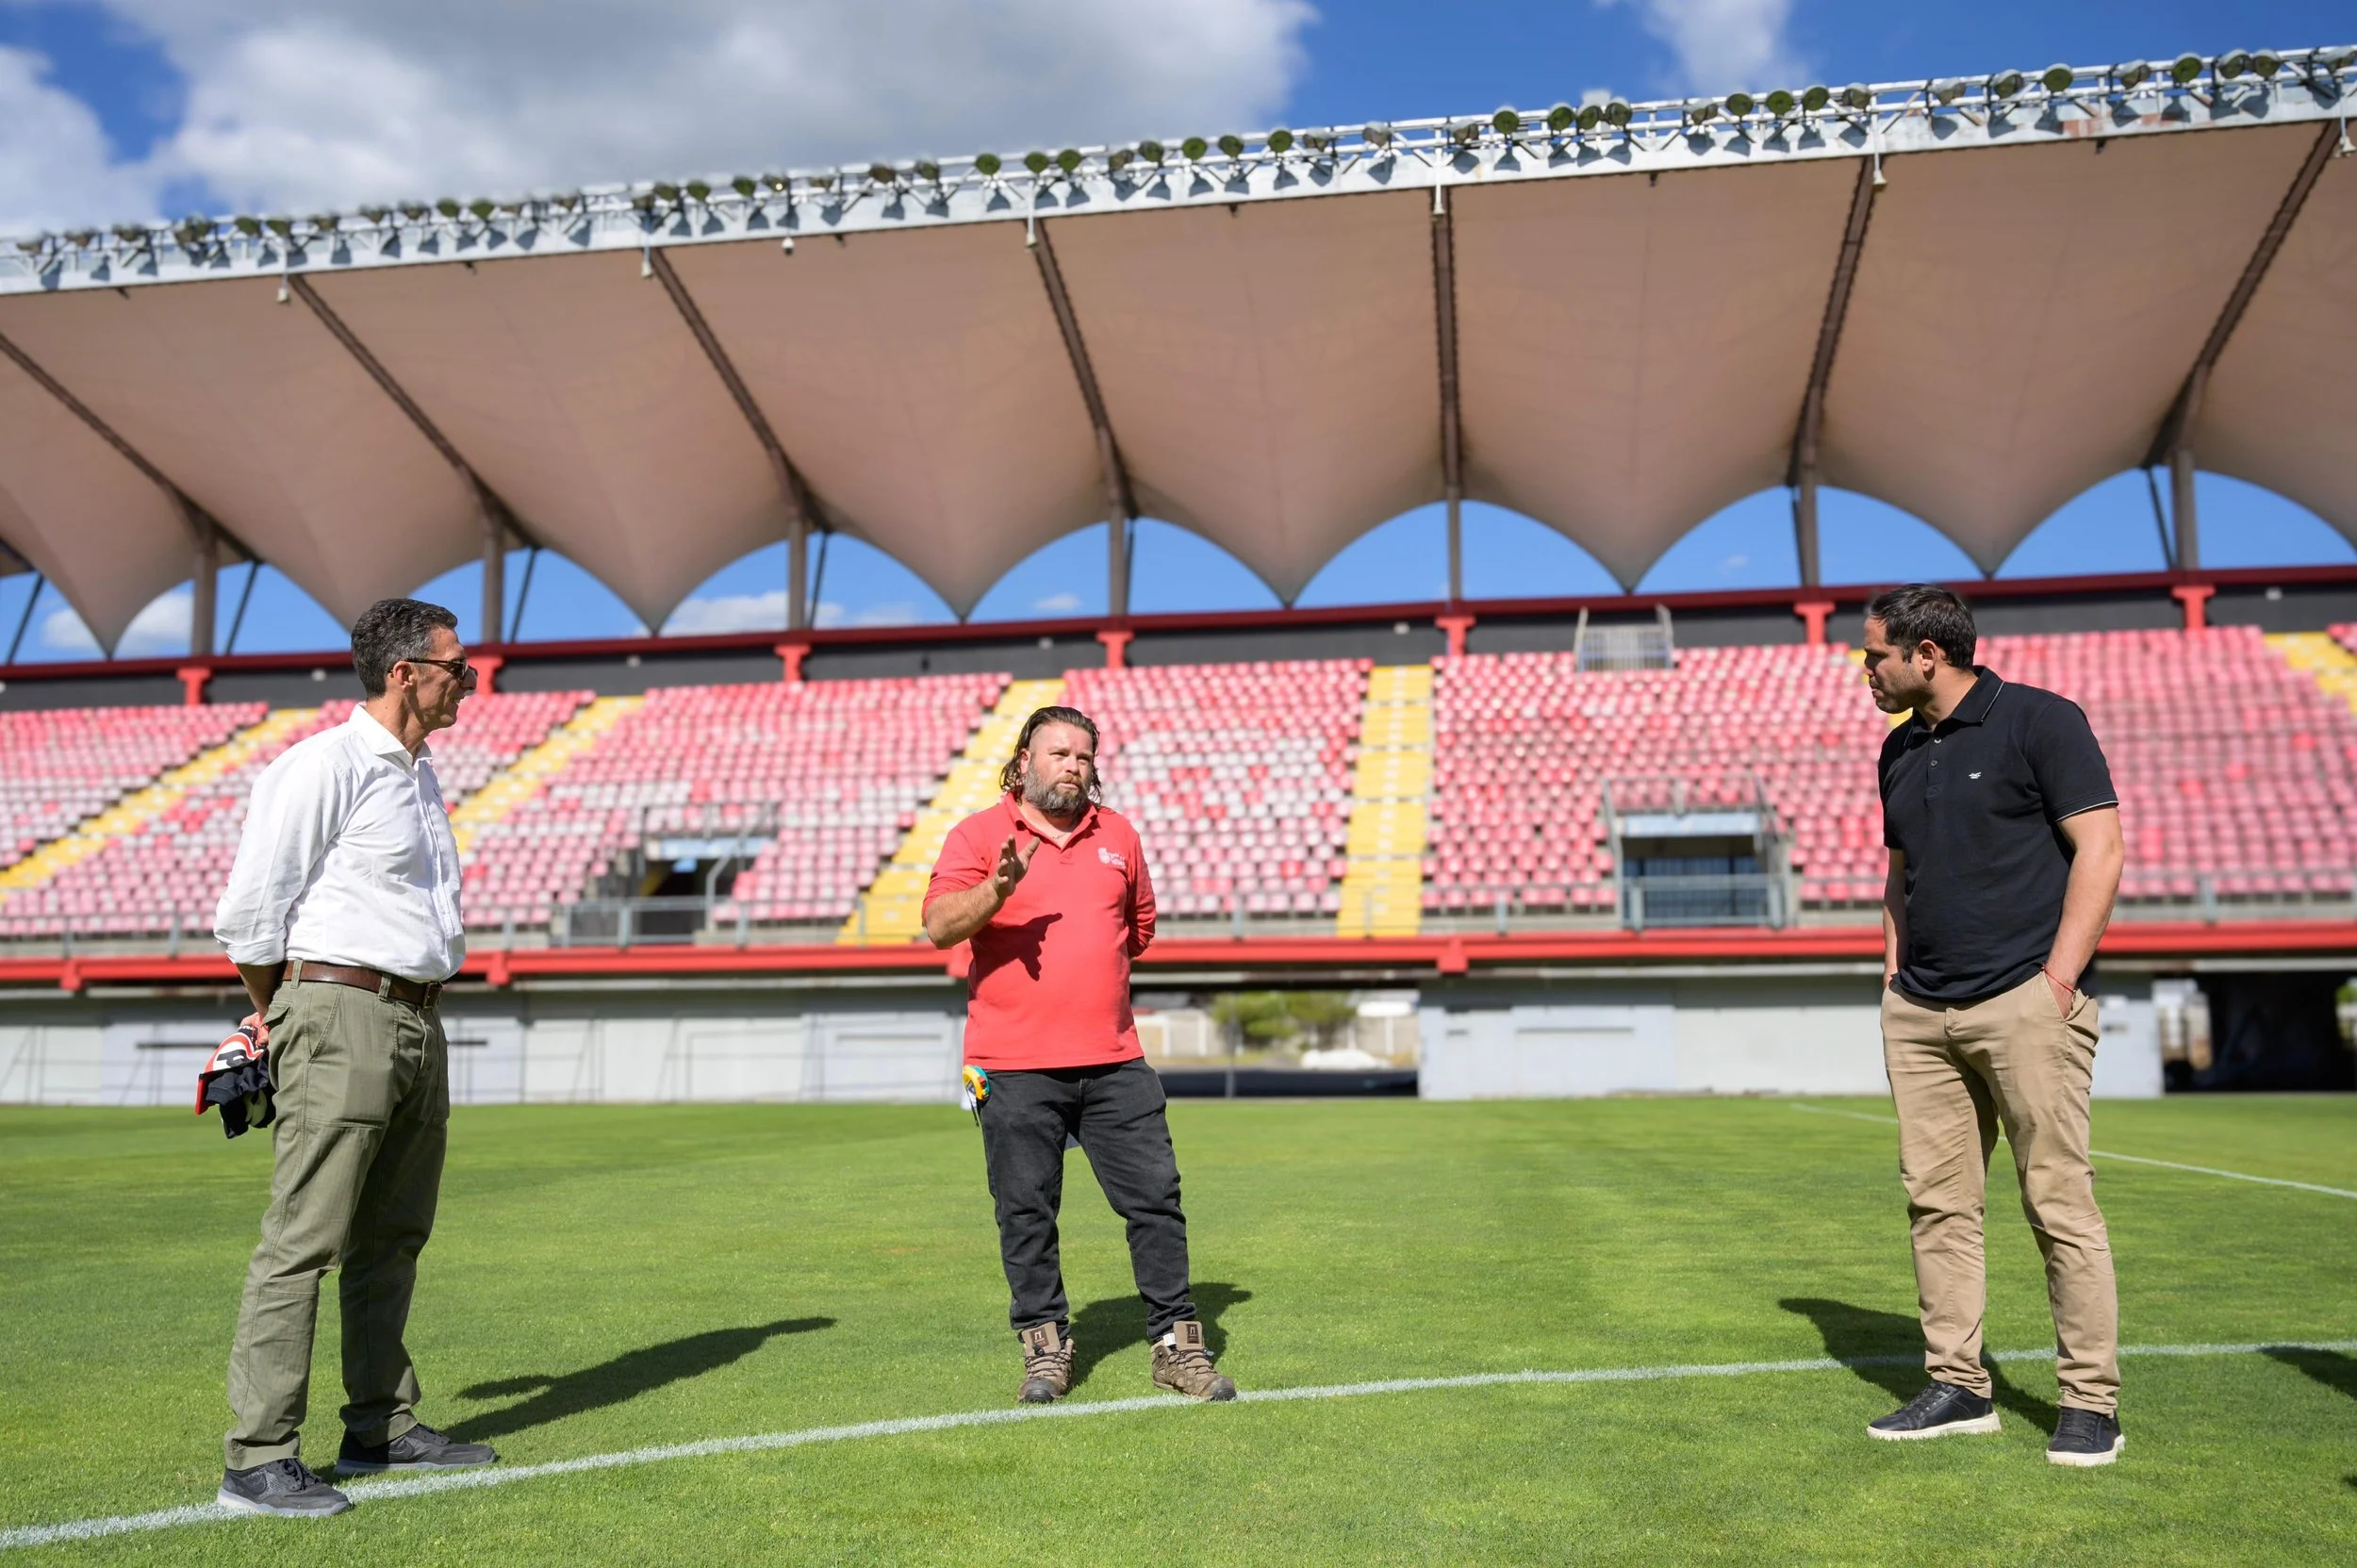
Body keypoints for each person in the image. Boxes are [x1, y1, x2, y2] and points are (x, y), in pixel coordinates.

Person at [209, 598, 497, 1516]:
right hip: (341, 1008)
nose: (470, 682)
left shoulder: (421, 775)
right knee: (306, 1238)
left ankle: (379, 1426)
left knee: (394, 1235)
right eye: (458, 667)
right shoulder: (321, 766)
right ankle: (258, 1459)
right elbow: (250, 914)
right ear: (404, 672)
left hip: (418, 1015)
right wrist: (281, 1015)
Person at [1860, 585, 2127, 1467]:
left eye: (1876, 655)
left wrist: (2057, 983)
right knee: (1937, 1205)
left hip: (2024, 1002)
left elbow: (2101, 848)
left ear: (1927, 653)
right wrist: (1893, 975)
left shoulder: (2042, 721)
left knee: (2058, 1202)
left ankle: (2089, 1401)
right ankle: (1959, 1385)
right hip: (1922, 1011)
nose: (1867, 671)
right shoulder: (1898, 748)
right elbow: (1899, 872)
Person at [923, 704, 1237, 1406]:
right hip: (1011, 1065)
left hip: (1115, 1060)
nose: (1072, 765)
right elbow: (940, 926)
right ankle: (1045, 1349)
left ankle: (1177, 1348)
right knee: (1026, 1211)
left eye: (1083, 756)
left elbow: (1138, 928)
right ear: (1024, 760)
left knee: (1156, 1201)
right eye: (1058, 752)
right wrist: (997, 889)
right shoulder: (978, 835)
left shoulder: (1118, 834)